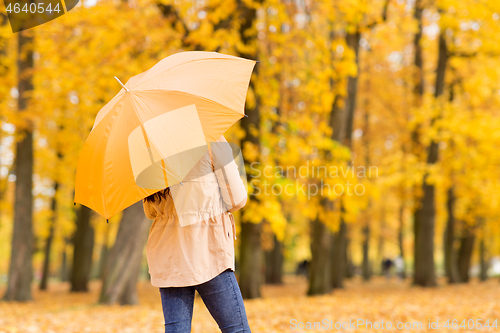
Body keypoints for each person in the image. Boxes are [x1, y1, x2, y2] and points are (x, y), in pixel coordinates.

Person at [143, 135, 251, 333]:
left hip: (168, 253)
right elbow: (237, 199)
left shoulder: (149, 147)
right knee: (237, 330)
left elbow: (150, 212)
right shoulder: (210, 136)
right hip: (207, 248)